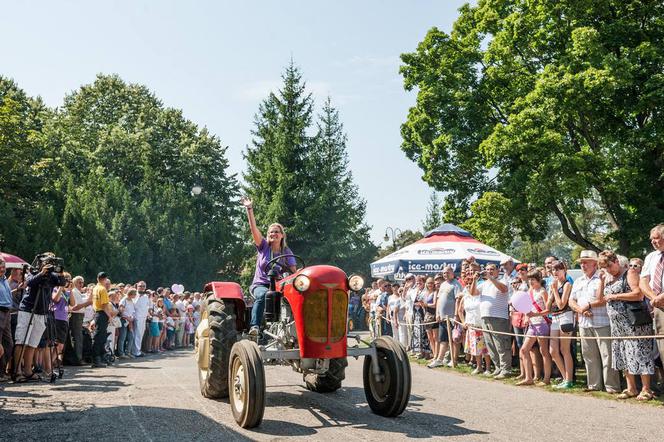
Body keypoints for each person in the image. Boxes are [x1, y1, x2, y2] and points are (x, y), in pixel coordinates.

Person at [598, 251, 657, 400]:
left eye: (610, 266)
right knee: (623, 353)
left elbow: (638, 294)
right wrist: (601, 281)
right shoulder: (608, 278)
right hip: (617, 325)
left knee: (640, 352)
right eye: (605, 268)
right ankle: (631, 388)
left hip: (634, 323)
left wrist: (616, 296)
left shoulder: (629, 273)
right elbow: (601, 299)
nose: (609, 270)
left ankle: (646, 389)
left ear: (616, 261)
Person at [241, 197, 296, 336]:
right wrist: (249, 209)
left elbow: (293, 273)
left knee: (295, 296)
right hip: (261, 284)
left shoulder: (287, 252)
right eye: (271, 231)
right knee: (264, 295)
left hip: (279, 285)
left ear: (282, 235)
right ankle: (255, 327)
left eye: (276, 231)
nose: (273, 233)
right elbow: (253, 229)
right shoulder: (264, 246)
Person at [569, 250, 620, 393]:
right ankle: (594, 385)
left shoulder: (604, 278)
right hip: (584, 323)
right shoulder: (579, 281)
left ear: (595, 263)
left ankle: (611, 386)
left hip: (602, 321)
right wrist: (581, 310)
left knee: (607, 355)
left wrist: (589, 306)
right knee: (589, 355)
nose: (583, 265)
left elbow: (604, 299)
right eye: (581, 263)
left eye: (586, 262)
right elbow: (571, 301)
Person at [13, 259, 62, 381]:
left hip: (42, 312)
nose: (49, 266)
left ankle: (28, 371)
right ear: (40, 264)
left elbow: (61, 282)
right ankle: (17, 372)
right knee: (21, 341)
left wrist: (60, 272)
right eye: (46, 263)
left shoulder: (52, 276)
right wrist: (42, 273)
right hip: (27, 310)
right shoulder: (33, 272)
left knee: (33, 343)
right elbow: (28, 282)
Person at [472, 263, 512, 379]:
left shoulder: (502, 280)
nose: (489, 271)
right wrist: (474, 280)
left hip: (499, 317)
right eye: (487, 269)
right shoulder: (484, 284)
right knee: (490, 344)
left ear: (497, 270)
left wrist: (490, 278)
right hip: (485, 317)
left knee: (501, 344)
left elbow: (503, 289)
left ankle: (506, 369)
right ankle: (498, 367)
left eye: (492, 269)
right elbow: (473, 293)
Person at [516, 270, 551, 386]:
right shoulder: (530, 291)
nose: (531, 282)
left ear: (539, 280)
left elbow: (548, 310)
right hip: (532, 324)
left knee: (544, 351)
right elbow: (527, 307)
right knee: (524, 349)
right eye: (529, 279)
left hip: (542, 323)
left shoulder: (543, 292)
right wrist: (527, 316)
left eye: (533, 280)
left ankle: (546, 379)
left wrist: (534, 315)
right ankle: (528, 377)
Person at [547, 261, 575, 389]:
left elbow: (561, 304)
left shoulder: (567, 284)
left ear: (564, 270)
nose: (555, 272)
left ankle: (568, 380)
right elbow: (548, 306)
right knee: (553, 351)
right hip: (555, 317)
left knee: (565, 350)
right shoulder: (553, 285)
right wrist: (551, 292)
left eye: (558, 269)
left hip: (565, 316)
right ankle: (565, 377)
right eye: (553, 269)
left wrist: (554, 290)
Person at [640, 224, 664, 368]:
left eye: (656, 238)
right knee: (662, 347)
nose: (653, 242)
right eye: (651, 239)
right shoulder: (651, 257)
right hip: (659, 308)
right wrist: (654, 298)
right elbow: (643, 281)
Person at [458, 270, 491, 375]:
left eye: (470, 283)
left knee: (485, 348)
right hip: (471, 325)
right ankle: (479, 366)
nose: (468, 286)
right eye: (467, 284)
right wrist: (463, 322)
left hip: (480, 324)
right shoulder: (465, 297)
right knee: (475, 348)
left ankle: (488, 368)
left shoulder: (480, 295)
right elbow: (460, 310)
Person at [430, 267, 462, 368]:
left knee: (454, 339)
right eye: (444, 273)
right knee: (443, 339)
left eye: (447, 272)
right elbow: (439, 300)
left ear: (452, 273)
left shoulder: (456, 284)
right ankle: (439, 359)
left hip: (452, 317)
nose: (445, 274)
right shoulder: (443, 284)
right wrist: (437, 313)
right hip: (443, 318)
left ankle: (454, 360)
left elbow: (458, 300)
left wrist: (456, 315)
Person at [91, 272, 115, 368]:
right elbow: (104, 305)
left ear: (97, 278)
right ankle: (96, 359)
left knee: (100, 336)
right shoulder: (103, 289)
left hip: (97, 313)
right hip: (102, 313)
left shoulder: (95, 288)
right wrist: (109, 316)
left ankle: (100, 357)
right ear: (105, 279)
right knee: (99, 337)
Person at [411, 276, 430, 359]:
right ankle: (420, 351)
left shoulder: (425, 291)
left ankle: (427, 353)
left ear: (424, 282)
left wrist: (420, 303)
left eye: (420, 281)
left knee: (424, 334)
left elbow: (425, 302)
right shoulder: (416, 291)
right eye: (417, 282)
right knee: (417, 333)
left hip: (423, 314)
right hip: (416, 315)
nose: (418, 283)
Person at [0, 258, 13, 379]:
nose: (2, 269)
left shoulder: (4, 280)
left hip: (7, 311)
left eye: (4, 266)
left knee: (8, 344)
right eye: (0, 266)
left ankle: (2, 371)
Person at [117, 288, 136, 358]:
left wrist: (132, 318)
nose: (135, 295)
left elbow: (133, 311)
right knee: (123, 337)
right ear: (131, 294)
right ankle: (121, 354)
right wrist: (127, 318)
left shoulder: (132, 301)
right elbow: (120, 311)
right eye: (134, 294)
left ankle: (128, 352)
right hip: (124, 320)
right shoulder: (123, 300)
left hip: (130, 321)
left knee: (131, 337)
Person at [133, 281, 149, 357]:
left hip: (144, 318)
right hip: (137, 317)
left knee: (141, 334)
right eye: (140, 286)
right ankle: (136, 352)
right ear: (137, 286)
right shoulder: (134, 295)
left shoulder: (146, 296)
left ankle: (138, 350)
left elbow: (147, 307)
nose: (142, 287)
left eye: (143, 286)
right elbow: (134, 305)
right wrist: (138, 297)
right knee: (137, 334)